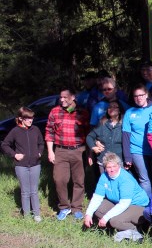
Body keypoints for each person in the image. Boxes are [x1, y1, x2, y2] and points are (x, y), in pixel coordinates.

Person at [45, 88, 90, 221]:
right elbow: (49, 132)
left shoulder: (83, 112)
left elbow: (88, 134)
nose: (62, 100)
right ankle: (64, 207)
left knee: (79, 181)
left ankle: (77, 208)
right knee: (59, 180)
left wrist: (89, 153)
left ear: (73, 97)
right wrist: (50, 151)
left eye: (65, 97)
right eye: (61, 97)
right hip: (61, 151)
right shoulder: (55, 111)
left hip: (78, 150)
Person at [83, 153, 149, 242]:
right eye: (108, 167)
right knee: (97, 209)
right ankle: (121, 229)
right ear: (105, 168)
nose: (112, 170)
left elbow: (124, 203)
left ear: (119, 165)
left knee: (115, 221)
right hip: (117, 203)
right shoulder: (104, 177)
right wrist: (88, 214)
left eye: (114, 166)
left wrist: (106, 217)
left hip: (137, 205)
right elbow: (97, 197)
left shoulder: (125, 179)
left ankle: (137, 230)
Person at [1, 107, 44, 222]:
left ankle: (37, 214)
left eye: (32, 118)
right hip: (21, 166)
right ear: (21, 119)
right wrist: (14, 155)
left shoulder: (35, 129)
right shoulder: (15, 131)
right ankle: (27, 216)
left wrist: (40, 152)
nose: (31, 120)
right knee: (25, 191)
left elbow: (41, 143)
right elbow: (5, 145)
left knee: (34, 190)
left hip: (35, 164)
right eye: (28, 118)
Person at [122, 84, 152, 196]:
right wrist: (127, 156)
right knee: (144, 179)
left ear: (146, 95)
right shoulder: (129, 112)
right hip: (137, 151)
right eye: (136, 96)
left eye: (141, 95)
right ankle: (148, 205)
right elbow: (126, 135)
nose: (139, 98)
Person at [86, 101, 124, 173]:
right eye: (109, 107)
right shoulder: (102, 123)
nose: (111, 108)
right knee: (105, 183)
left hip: (119, 161)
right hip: (103, 161)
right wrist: (94, 146)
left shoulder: (124, 124)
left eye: (114, 107)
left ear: (119, 110)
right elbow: (90, 137)